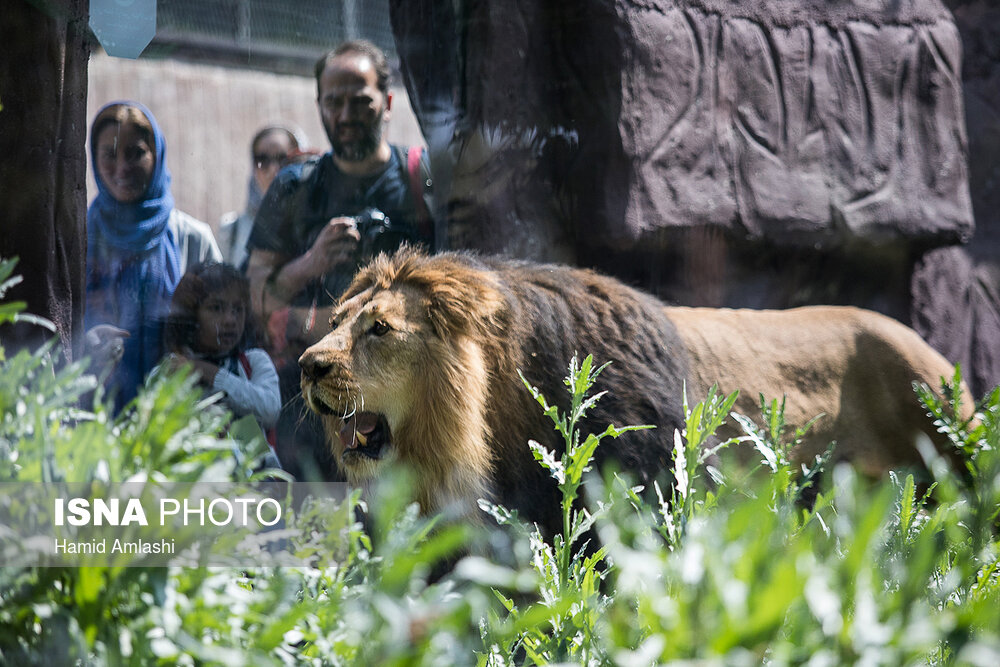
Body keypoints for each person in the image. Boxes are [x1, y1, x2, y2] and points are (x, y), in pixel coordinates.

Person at [245, 39, 435, 480]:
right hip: (311, 404)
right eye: (334, 102)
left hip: (402, 407)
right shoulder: (295, 187)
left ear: (387, 102)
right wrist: (310, 263)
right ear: (319, 105)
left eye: (359, 100)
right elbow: (252, 297)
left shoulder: (423, 180)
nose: (345, 115)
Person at [85, 101, 222, 412]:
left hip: (178, 413)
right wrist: (86, 345)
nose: (122, 168)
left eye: (135, 153)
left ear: (157, 155)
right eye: (109, 154)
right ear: (94, 158)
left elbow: (228, 321)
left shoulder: (192, 237)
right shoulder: (79, 239)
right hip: (92, 412)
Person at [163, 262, 281, 465]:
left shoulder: (253, 361)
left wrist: (210, 373)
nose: (230, 320)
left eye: (238, 310)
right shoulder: (173, 368)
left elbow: (269, 410)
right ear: (192, 315)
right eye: (216, 308)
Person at [218, 126, 303, 272]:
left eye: (283, 159)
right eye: (262, 160)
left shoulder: (315, 221)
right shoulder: (232, 229)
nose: (273, 169)